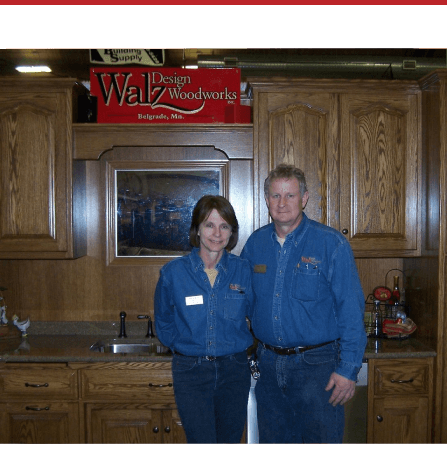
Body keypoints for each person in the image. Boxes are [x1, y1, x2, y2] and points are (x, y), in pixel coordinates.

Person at [241, 165, 367, 443]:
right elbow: (243, 301)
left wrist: (348, 370)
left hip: (317, 368)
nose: (282, 203)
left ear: (305, 198)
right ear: (266, 200)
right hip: (269, 367)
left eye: (290, 195)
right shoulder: (255, 245)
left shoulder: (331, 244)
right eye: (275, 196)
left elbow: (351, 310)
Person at [154, 195, 254, 443]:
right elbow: (164, 321)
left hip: (234, 371)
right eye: (209, 225)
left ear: (232, 232)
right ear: (197, 229)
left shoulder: (243, 270)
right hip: (191, 372)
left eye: (224, 226)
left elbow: (256, 314)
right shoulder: (173, 273)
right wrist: (182, 346)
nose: (217, 233)